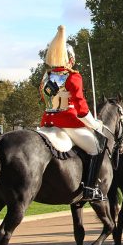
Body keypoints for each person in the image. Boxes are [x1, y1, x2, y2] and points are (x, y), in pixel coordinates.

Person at [39, 25, 105, 201]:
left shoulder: (46, 77)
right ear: (70, 59)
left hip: (47, 122)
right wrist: (94, 124)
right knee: (96, 147)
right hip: (68, 122)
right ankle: (91, 189)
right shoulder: (72, 76)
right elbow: (81, 109)